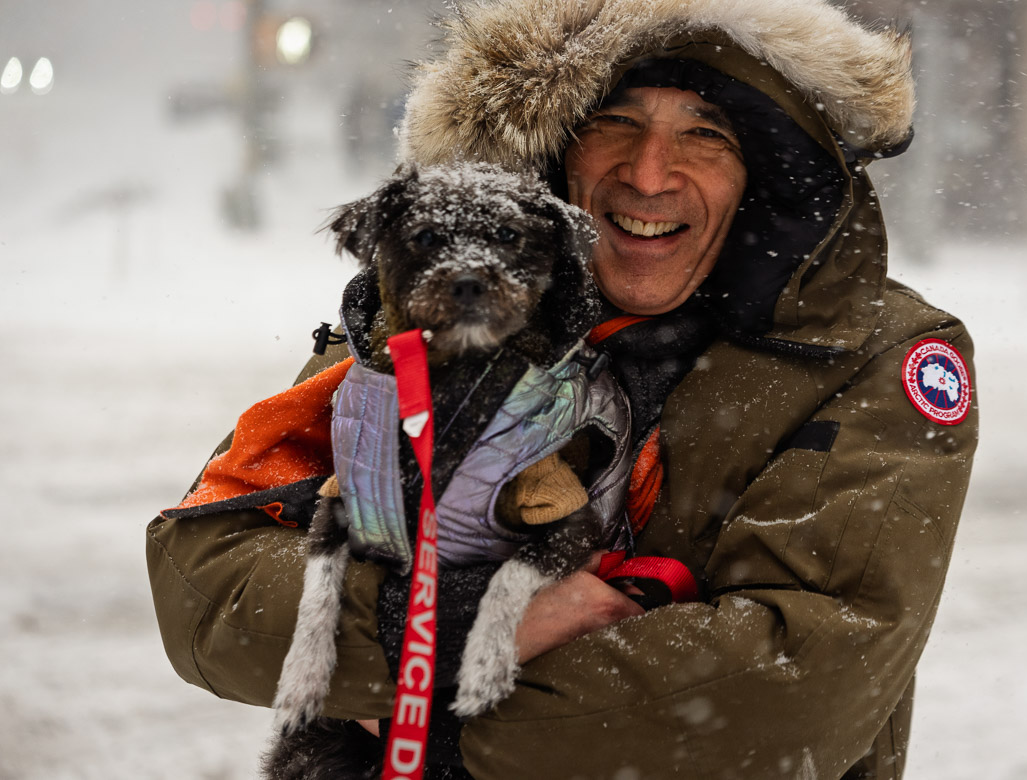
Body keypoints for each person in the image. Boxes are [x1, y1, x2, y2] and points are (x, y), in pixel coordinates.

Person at [146, 0, 978, 777]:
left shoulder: (873, 356)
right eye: (615, 121)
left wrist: (421, 714)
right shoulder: (431, 316)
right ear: (554, 152)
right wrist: (451, 624)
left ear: (763, 174)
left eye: (707, 133)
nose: (650, 175)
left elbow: (799, 685)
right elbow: (205, 583)